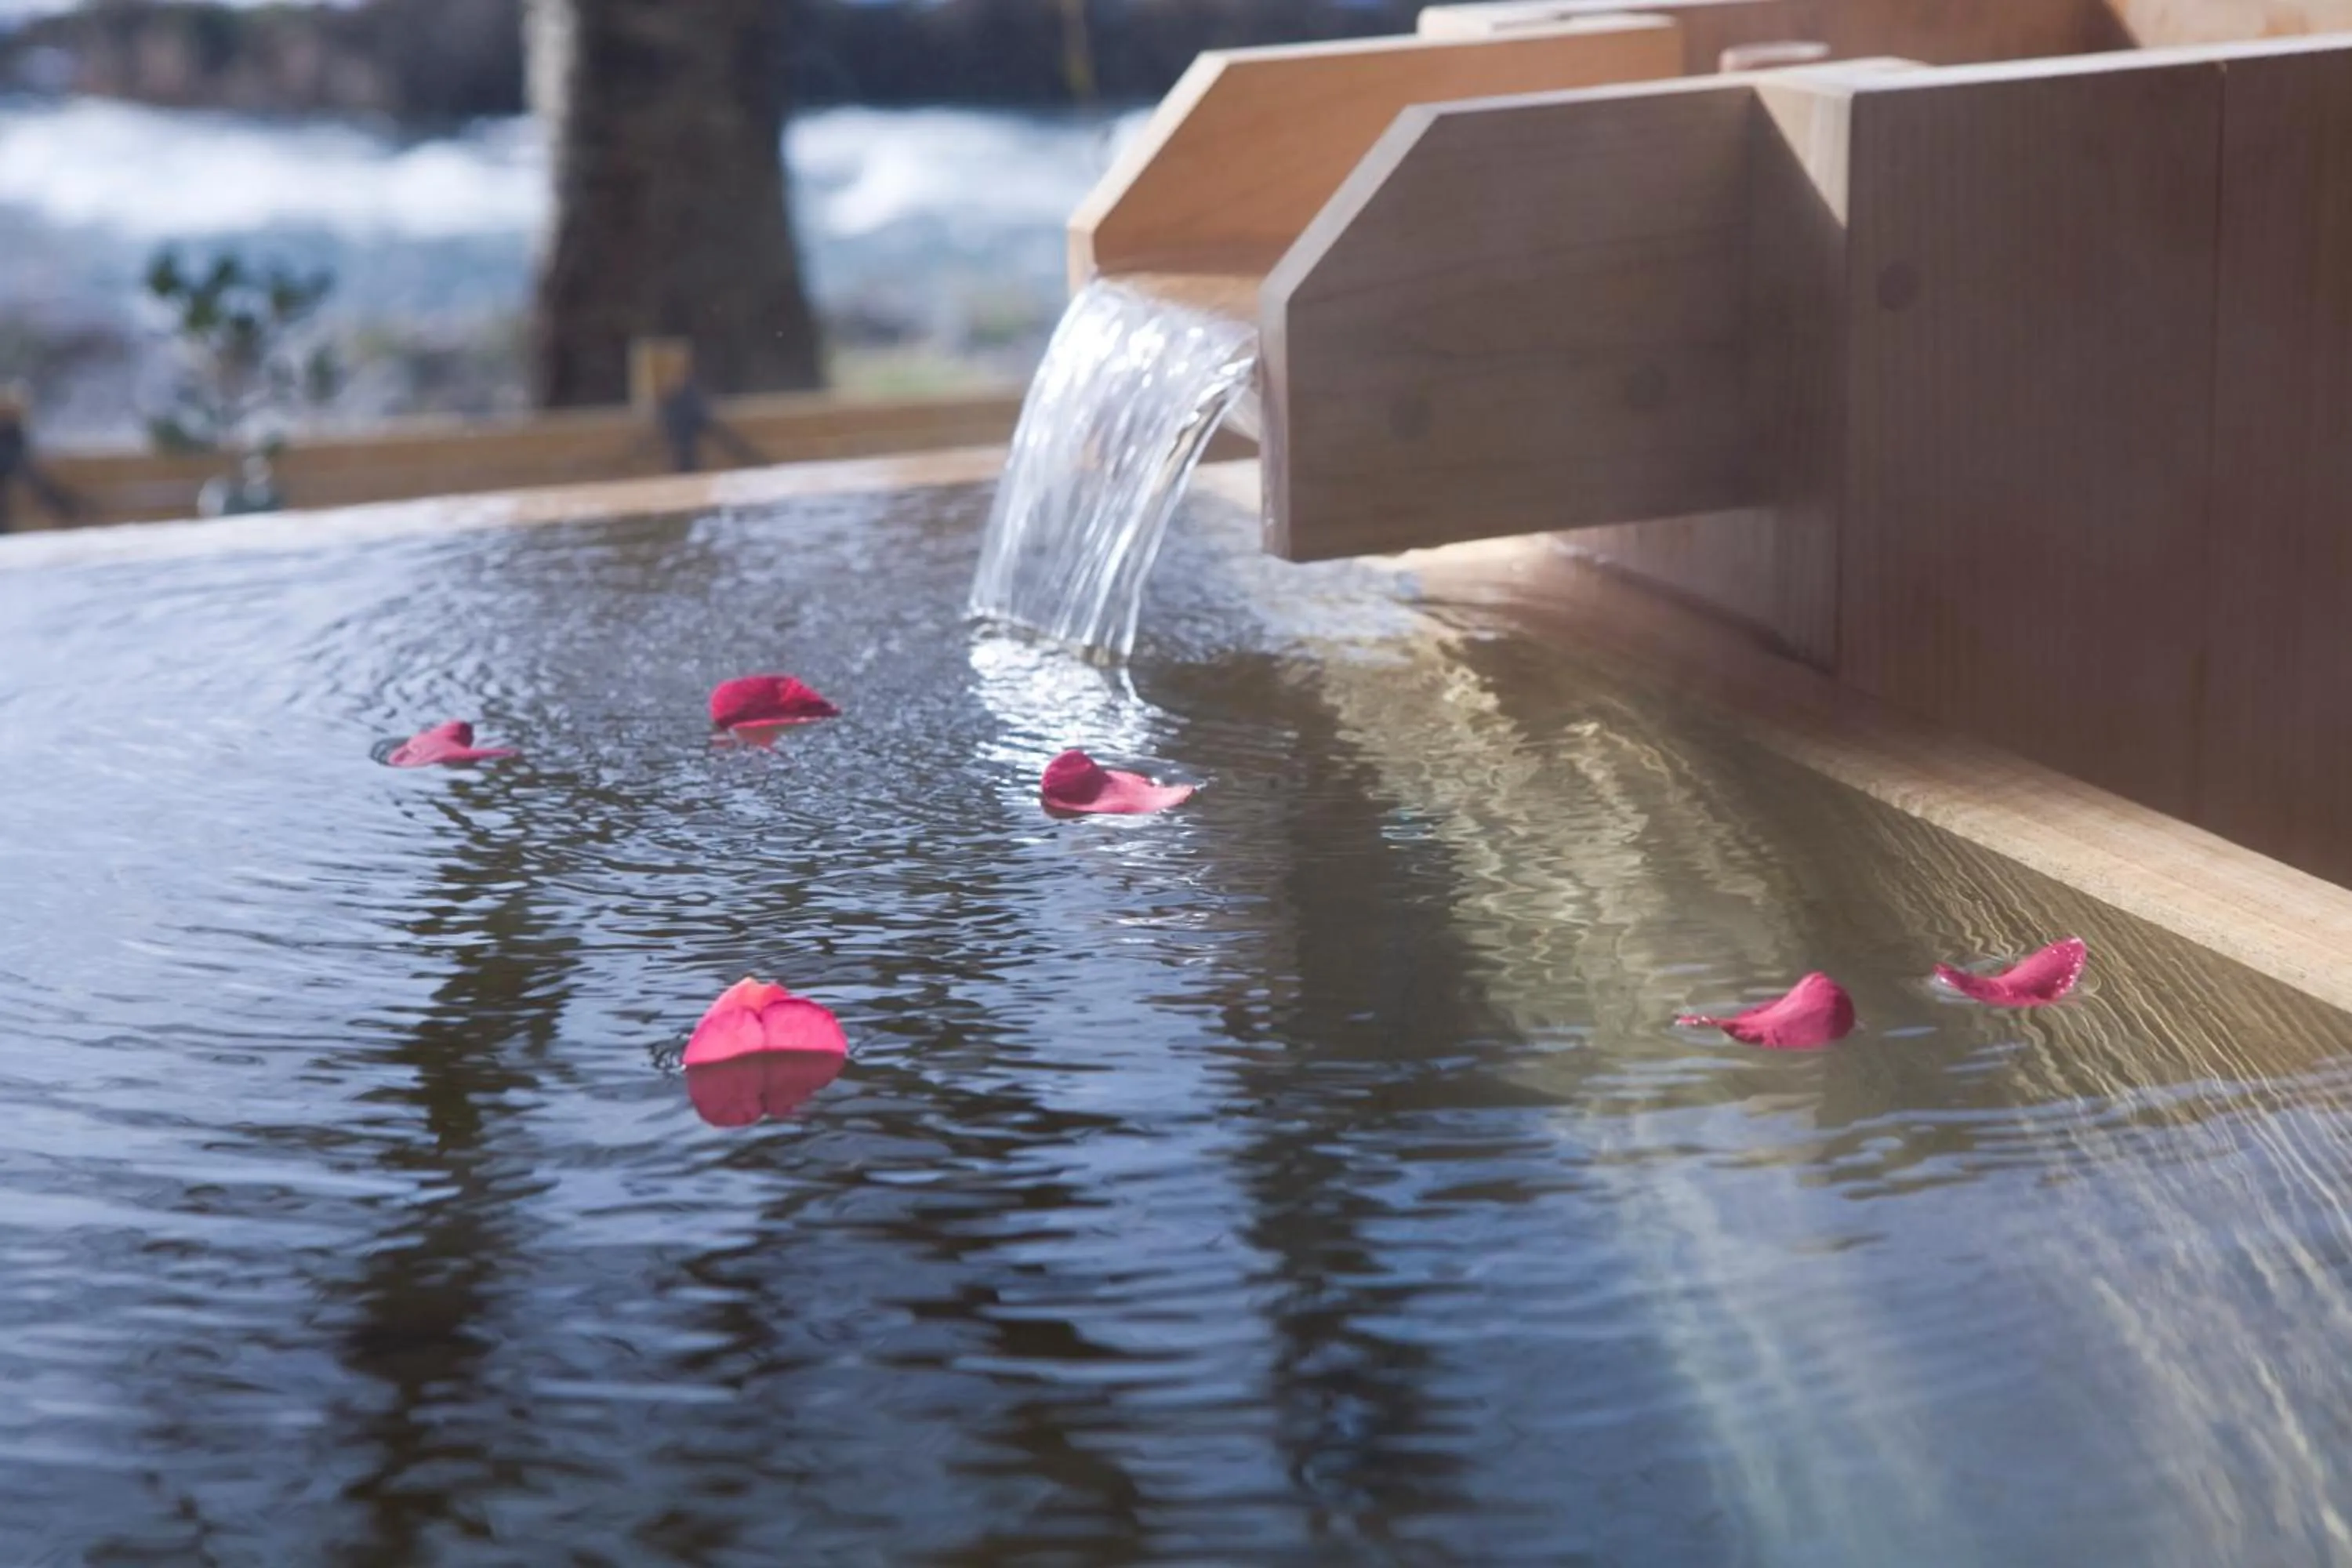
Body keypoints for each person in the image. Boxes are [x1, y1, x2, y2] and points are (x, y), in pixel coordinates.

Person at [0, 384, 81, 533]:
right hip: (13, 465)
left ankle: (65, 507)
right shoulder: (11, 429)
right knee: (29, 476)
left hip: (14, 465)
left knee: (32, 477)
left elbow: (20, 454)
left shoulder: (13, 430)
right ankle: (64, 506)